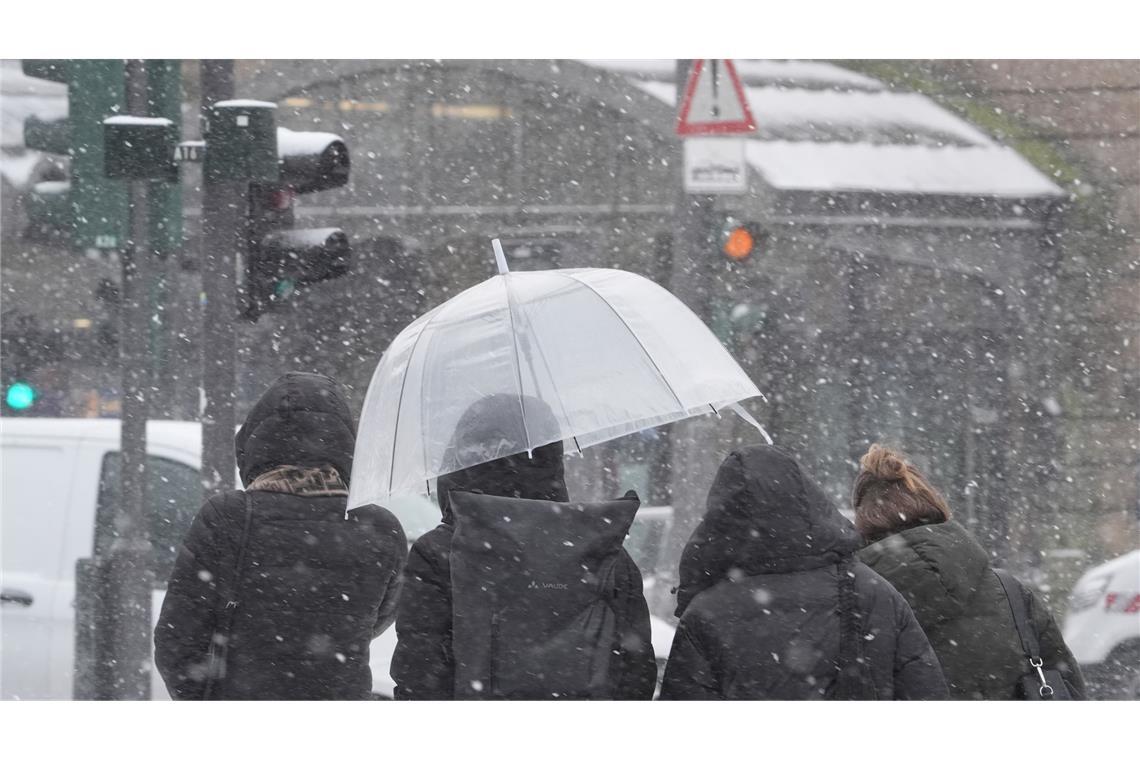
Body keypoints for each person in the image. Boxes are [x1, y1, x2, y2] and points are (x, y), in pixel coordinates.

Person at [155, 372, 407, 700]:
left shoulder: (226, 518)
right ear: (347, 445)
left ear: (254, 442)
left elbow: (177, 642)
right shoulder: (380, 527)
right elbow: (377, 619)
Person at [390, 394, 657, 700]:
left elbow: (418, 677)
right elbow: (637, 675)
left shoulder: (440, 554)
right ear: (552, 456)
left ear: (459, 460)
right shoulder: (605, 553)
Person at [659, 444, 948, 700]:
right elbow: (926, 694)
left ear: (720, 518)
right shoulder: (875, 593)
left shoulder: (704, 614)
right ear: (808, 498)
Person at [852, 443, 1086, 699]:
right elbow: (1069, 684)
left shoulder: (854, 608)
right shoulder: (1012, 594)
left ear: (864, 527)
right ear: (935, 508)